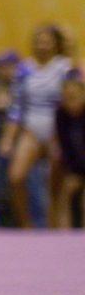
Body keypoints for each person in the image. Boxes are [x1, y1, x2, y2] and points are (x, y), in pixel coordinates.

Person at [0, 24, 74, 228]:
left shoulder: (64, 67)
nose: (42, 45)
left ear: (55, 44)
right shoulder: (24, 69)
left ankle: (54, 227)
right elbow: (17, 107)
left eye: (46, 41)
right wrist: (8, 138)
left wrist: (65, 135)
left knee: (55, 186)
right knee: (16, 176)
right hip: (31, 130)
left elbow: (72, 101)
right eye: (38, 41)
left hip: (56, 131)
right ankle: (26, 226)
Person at [52, 73, 85, 229]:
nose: (69, 103)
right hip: (76, 168)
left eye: (74, 97)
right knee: (65, 193)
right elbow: (66, 147)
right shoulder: (61, 115)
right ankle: (62, 237)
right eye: (65, 98)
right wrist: (72, 173)